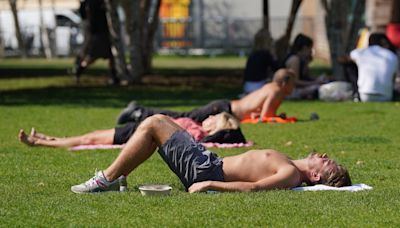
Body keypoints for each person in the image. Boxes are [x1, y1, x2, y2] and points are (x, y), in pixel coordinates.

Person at [70, 114, 352, 193]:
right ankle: (118, 175)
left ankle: (106, 179)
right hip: (208, 160)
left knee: (154, 124)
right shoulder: (289, 163)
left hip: (207, 171)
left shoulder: (290, 174)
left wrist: (209, 184)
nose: (324, 155)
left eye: (327, 162)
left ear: (315, 176)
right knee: (162, 121)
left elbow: (253, 188)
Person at [117, 68, 295, 125]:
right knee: (184, 118)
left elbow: (257, 114)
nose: (294, 87)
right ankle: (140, 113)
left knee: (184, 118)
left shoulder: (269, 86)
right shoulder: (276, 91)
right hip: (223, 111)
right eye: (293, 83)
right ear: (284, 83)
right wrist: (281, 119)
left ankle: (141, 113)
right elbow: (266, 117)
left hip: (224, 107)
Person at [18, 112, 246, 148]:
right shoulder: (197, 128)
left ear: (218, 126)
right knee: (91, 136)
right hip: (141, 126)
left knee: (90, 138)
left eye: (213, 119)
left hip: (140, 132)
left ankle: (40, 142)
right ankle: (48, 138)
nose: (208, 117)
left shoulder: (197, 135)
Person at [72, 0, 119, 85]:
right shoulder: (94, 3)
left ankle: (114, 77)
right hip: (99, 33)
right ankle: (78, 70)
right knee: (92, 57)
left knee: (111, 56)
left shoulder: (91, 3)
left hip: (102, 32)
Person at [349, 33, 398, 102]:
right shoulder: (392, 56)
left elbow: (347, 58)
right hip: (386, 96)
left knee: (350, 66)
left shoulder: (361, 52)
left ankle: (356, 94)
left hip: (365, 96)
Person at [283, 34, 327, 100]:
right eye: (310, 48)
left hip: (297, 90)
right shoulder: (294, 60)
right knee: (316, 88)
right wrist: (315, 83)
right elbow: (295, 82)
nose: (311, 51)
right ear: (304, 47)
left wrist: (318, 79)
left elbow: (306, 77)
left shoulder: (302, 60)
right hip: (290, 92)